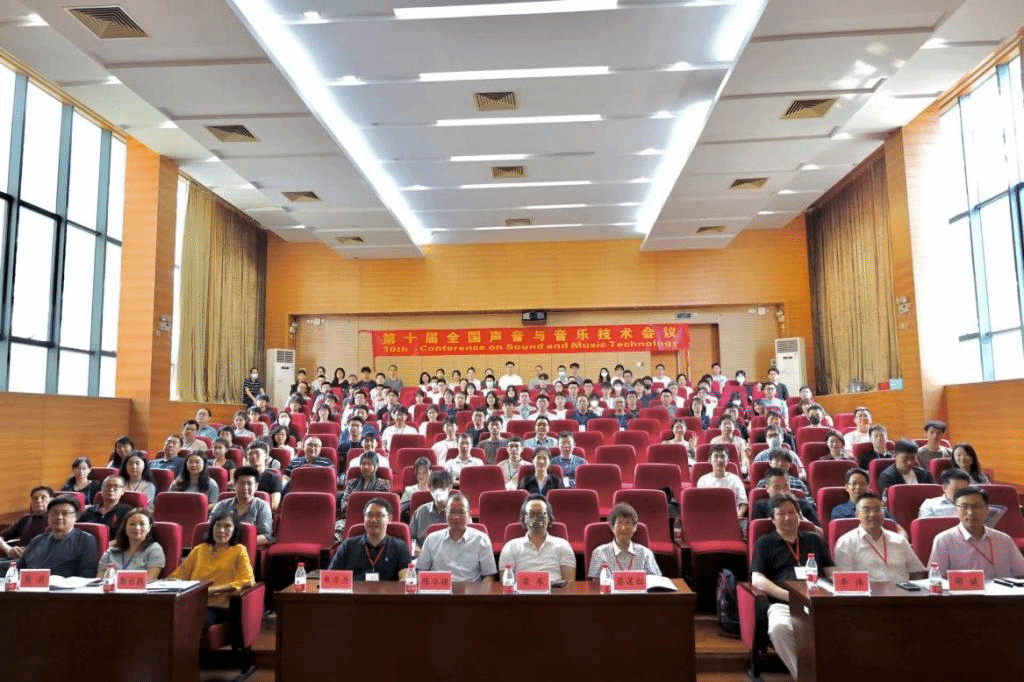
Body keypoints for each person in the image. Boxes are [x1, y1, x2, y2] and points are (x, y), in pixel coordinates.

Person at [750, 494, 834, 680]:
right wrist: (789, 596)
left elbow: (831, 571)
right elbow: (757, 579)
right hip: (783, 604)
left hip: (819, 604)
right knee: (779, 628)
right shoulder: (765, 543)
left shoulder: (814, 540)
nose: (788, 518)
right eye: (781, 514)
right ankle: (805, 678)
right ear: (772, 519)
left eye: (792, 512)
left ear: (799, 515)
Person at [170, 510, 255, 625]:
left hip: (219, 606)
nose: (221, 530)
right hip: (192, 602)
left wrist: (213, 590)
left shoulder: (239, 550)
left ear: (234, 530)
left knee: (190, 621)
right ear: (212, 528)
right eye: (218, 525)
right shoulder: (199, 549)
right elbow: (179, 575)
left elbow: (248, 581)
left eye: (227, 526)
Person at [928, 487, 1024, 580]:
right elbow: (935, 579)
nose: (970, 513)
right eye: (964, 507)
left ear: (987, 509)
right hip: (960, 591)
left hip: (1001, 591)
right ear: (956, 510)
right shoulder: (944, 540)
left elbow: (1021, 573)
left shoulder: (1004, 540)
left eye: (976, 507)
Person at [832, 492, 926, 582]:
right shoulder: (846, 542)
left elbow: (917, 572)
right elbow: (844, 579)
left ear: (884, 514)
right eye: (866, 510)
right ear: (857, 515)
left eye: (877, 510)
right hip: (869, 592)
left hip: (902, 591)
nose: (873, 514)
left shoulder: (900, 540)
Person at [416, 493, 497, 582]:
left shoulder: (481, 539)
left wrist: (481, 590)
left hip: (470, 588)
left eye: (461, 512)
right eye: (452, 512)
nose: (456, 517)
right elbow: (421, 571)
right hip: (440, 588)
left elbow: (489, 576)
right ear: (445, 513)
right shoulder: (431, 539)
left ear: (469, 514)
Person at [497, 494, 575, 586]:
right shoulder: (510, 547)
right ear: (524, 518)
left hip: (555, 592)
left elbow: (570, 584)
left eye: (540, 514)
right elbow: (506, 584)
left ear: (549, 517)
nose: (536, 518)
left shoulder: (563, 545)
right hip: (521, 593)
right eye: (531, 514)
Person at [328, 498, 411, 581]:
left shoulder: (400, 547)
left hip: (387, 589)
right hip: (356, 589)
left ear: (389, 519)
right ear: (364, 518)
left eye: (379, 515)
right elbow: (330, 577)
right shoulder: (348, 546)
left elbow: (405, 581)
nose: (373, 520)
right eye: (369, 515)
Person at [18, 496, 98, 578]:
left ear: (76, 517)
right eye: (54, 513)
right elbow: (19, 568)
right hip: (28, 584)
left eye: (65, 513)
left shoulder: (85, 540)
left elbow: (87, 574)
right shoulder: (37, 540)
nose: (59, 517)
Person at [586, 502, 661, 577]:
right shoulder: (599, 552)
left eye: (628, 523)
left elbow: (656, 579)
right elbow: (594, 582)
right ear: (612, 528)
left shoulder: (645, 553)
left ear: (635, 527)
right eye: (619, 523)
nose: (623, 528)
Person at [209, 466, 274, 548]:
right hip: (221, 548)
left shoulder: (262, 507)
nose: (245, 487)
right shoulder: (221, 505)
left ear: (256, 486)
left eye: (249, 484)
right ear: (234, 485)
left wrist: (238, 544)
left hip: (248, 549)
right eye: (241, 483)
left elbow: (266, 536)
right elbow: (209, 528)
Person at [97, 508, 166, 580]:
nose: (137, 528)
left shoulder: (154, 550)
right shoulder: (111, 552)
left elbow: (150, 577)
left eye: (142, 524)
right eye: (132, 524)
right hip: (111, 587)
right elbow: (100, 577)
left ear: (149, 528)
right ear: (125, 528)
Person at [749, 468, 821, 532]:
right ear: (767, 488)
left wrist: (803, 520)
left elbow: (821, 534)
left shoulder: (803, 504)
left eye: (786, 486)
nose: (782, 491)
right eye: (776, 487)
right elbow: (756, 534)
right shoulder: (760, 506)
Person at [0, 486, 53, 560]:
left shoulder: (55, 520)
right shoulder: (26, 518)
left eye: (43, 497)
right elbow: (2, 536)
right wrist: (8, 549)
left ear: (51, 500)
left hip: (39, 560)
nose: (38, 501)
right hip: (16, 559)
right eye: (35, 498)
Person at [696, 447, 747, 519]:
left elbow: (743, 503)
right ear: (709, 461)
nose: (719, 460)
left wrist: (737, 517)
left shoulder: (735, 479)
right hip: (709, 517)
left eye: (723, 457)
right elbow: (700, 505)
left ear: (727, 460)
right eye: (716, 456)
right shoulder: (703, 480)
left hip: (731, 517)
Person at [338, 452, 391, 519]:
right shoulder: (352, 482)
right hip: (353, 515)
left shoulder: (383, 484)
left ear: (376, 466)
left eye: (369, 464)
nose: (366, 467)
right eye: (363, 464)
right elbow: (344, 504)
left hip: (374, 517)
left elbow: (385, 506)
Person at [410, 470, 452, 549]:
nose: (439, 491)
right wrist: (419, 552)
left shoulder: (459, 511)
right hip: (424, 552)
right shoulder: (420, 512)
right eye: (435, 488)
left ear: (450, 488)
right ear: (430, 489)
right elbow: (411, 539)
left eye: (442, 487)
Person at [245, 443, 283, 512]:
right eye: (250, 454)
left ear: (265, 456)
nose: (253, 456)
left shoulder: (274, 477)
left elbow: (274, 505)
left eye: (257, 453)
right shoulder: (242, 477)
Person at [400, 457, 433, 521]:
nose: (421, 476)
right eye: (418, 473)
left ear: (430, 472)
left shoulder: (436, 490)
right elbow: (401, 509)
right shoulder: (409, 491)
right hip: (415, 521)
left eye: (424, 473)